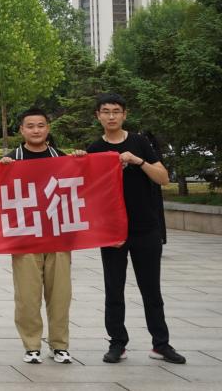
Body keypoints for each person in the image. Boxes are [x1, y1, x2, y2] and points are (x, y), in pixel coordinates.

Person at [79, 93, 185, 364]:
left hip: (146, 228)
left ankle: (161, 344)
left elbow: (163, 178)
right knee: (114, 290)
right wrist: (79, 160)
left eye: (116, 111)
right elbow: (87, 192)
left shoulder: (140, 142)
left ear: (125, 114)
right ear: (98, 116)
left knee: (151, 290)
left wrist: (139, 161)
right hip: (112, 232)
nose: (111, 116)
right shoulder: (94, 149)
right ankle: (117, 343)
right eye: (106, 111)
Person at [0, 107, 72, 364]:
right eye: (30, 126)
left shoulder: (61, 158)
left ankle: (60, 345)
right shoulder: (11, 160)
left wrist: (83, 160)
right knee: (27, 297)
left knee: (60, 295)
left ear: (48, 128)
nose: (36, 130)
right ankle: (31, 346)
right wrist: (1, 170)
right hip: (25, 238)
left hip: (58, 237)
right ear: (21, 130)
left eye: (41, 125)